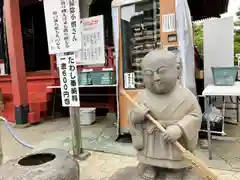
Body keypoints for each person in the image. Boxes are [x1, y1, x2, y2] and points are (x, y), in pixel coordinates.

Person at [128, 48, 202, 180]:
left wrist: (180, 128)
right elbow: (132, 117)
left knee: (175, 160)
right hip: (151, 140)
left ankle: (175, 170)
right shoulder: (141, 96)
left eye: (161, 72)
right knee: (148, 157)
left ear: (177, 69)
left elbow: (195, 116)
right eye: (149, 74)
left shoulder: (185, 96)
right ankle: (149, 165)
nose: (156, 78)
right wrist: (136, 116)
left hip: (173, 140)